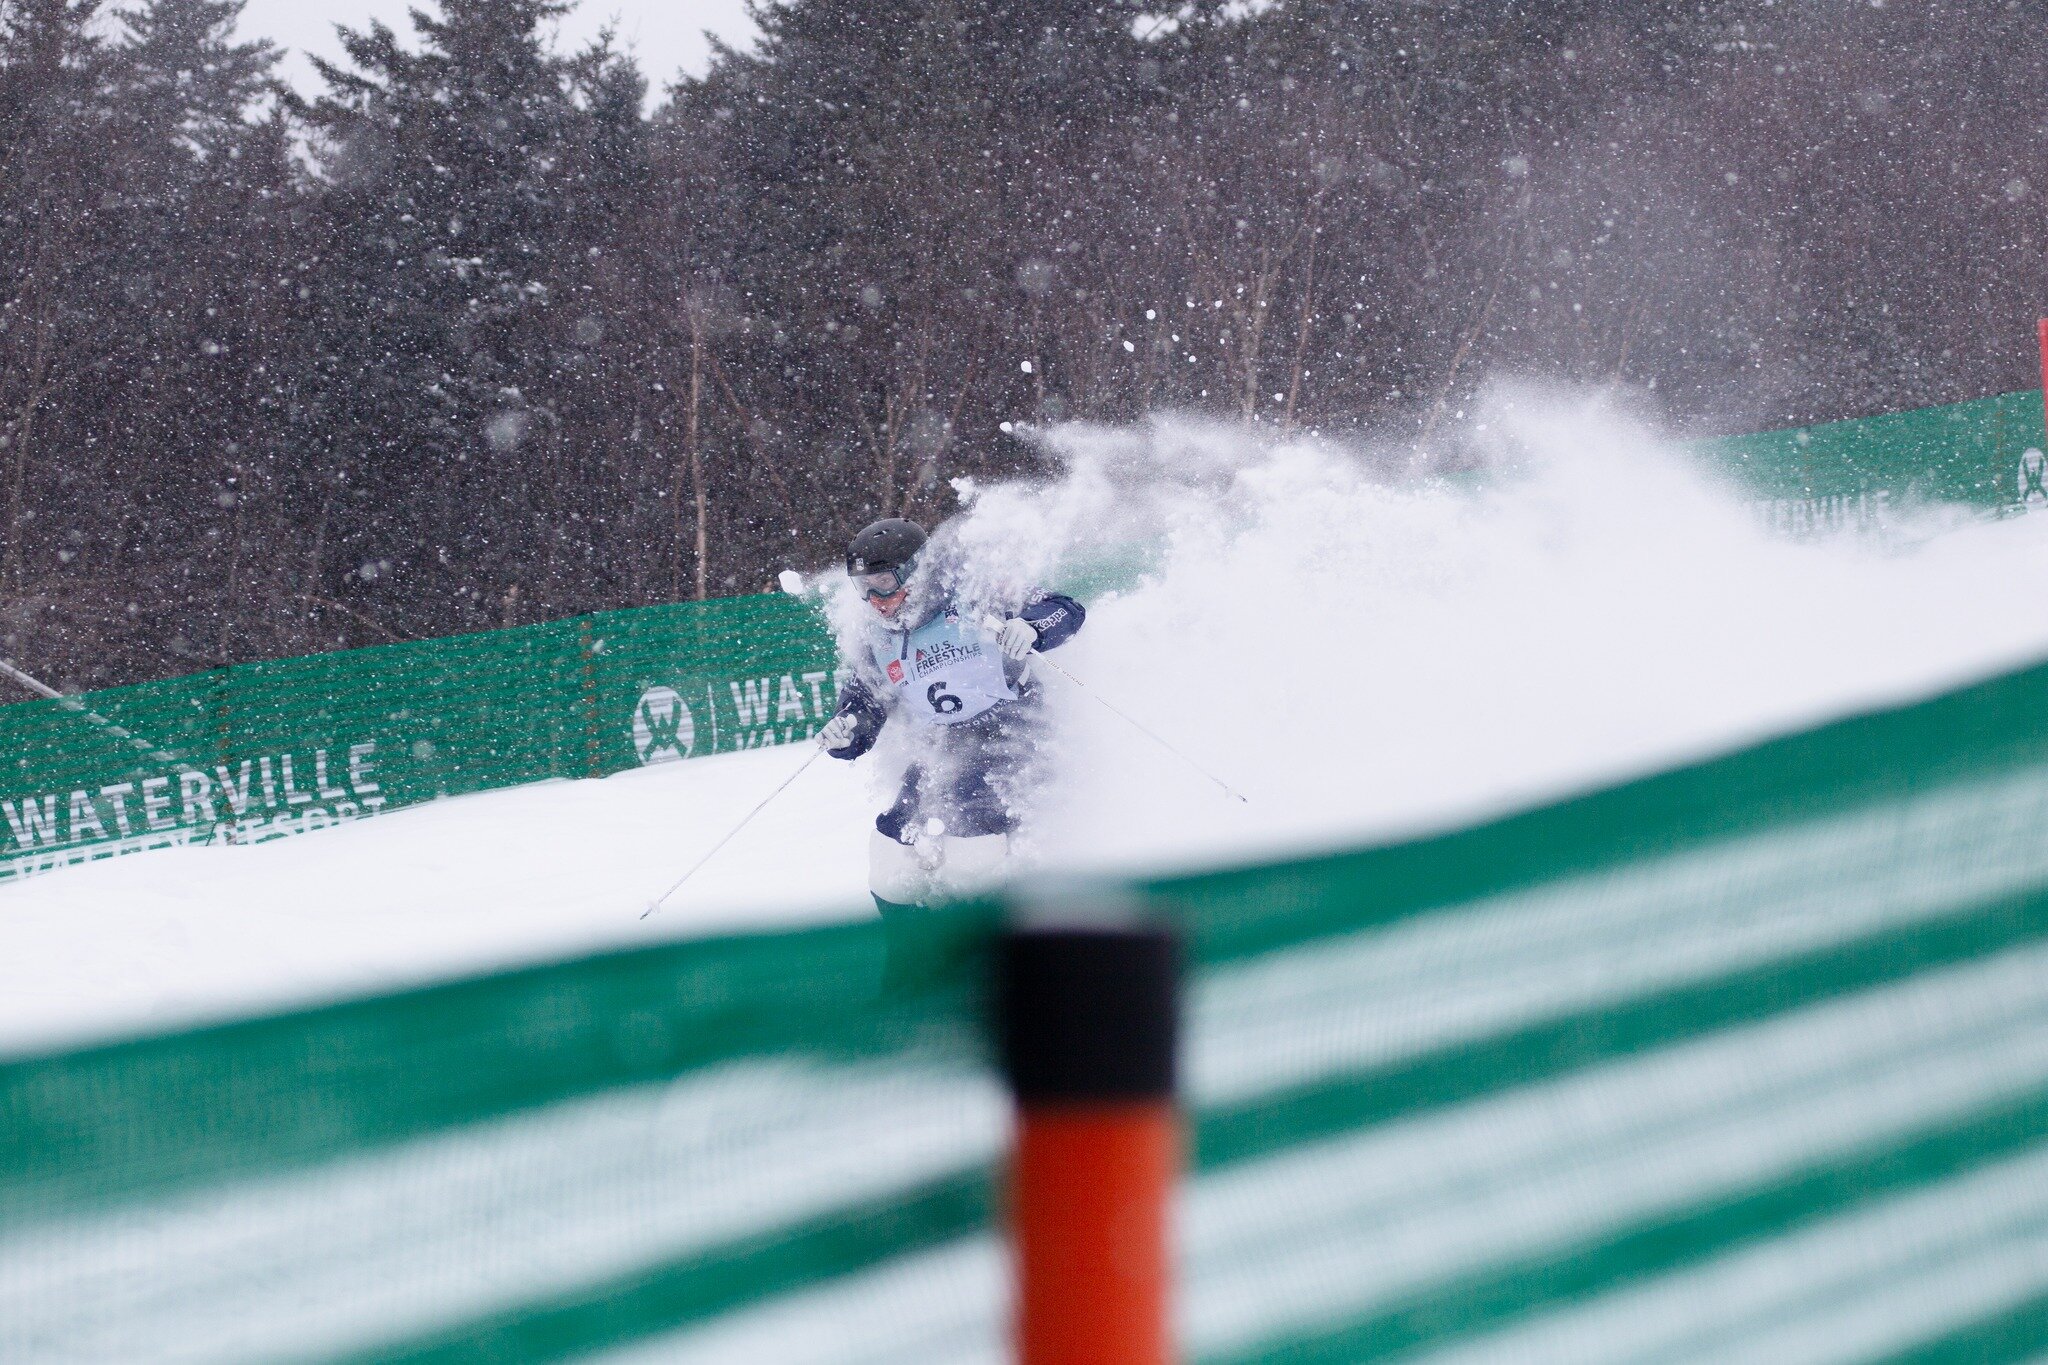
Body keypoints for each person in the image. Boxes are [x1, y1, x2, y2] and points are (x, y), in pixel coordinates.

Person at [815, 517, 1084, 917]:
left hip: (1011, 731)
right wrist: (847, 730)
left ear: (916, 573)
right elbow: (865, 702)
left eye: (884, 583)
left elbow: (1065, 610)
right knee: (892, 852)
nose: (875, 599)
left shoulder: (975, 593)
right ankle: (910, 956)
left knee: (969, 848)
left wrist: (1029, 628)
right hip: (942, 745)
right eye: (863, 588)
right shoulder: (878, 636)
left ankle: (983, 946)